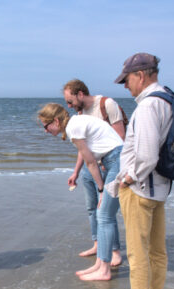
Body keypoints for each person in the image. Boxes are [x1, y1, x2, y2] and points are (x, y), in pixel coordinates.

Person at [106, 53, 173, 289]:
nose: (125, 86)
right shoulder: (168, 99)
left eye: (127, 79)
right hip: (160, 188)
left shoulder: (147, 107)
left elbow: (146, 156)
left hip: (141, 190)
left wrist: (127, 180)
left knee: (137, 253)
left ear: (141, 75)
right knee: (157, 252)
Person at [38, 103, 123, 281]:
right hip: (113, 159)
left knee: (105, 216)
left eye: (46, 126)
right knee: (102, 215)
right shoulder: (76, 123)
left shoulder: (73, 128)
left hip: (117, 161)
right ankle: (100, 263)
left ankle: (105, 270)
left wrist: (101, 190)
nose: (45, 131)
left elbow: (91, 162)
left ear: (56, 121)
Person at [63, 79, 126, 265]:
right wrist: (76, 172)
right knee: (92, 208)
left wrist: (108, 165)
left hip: (109, 164)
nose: (68, 106)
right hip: (90, 167)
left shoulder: (106, 104)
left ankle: (114, 252)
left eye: (70, 101)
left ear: (80, 94)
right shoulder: (81, 113)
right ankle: (98, 244)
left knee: (106, 212)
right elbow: (84, 149)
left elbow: (119, 136)